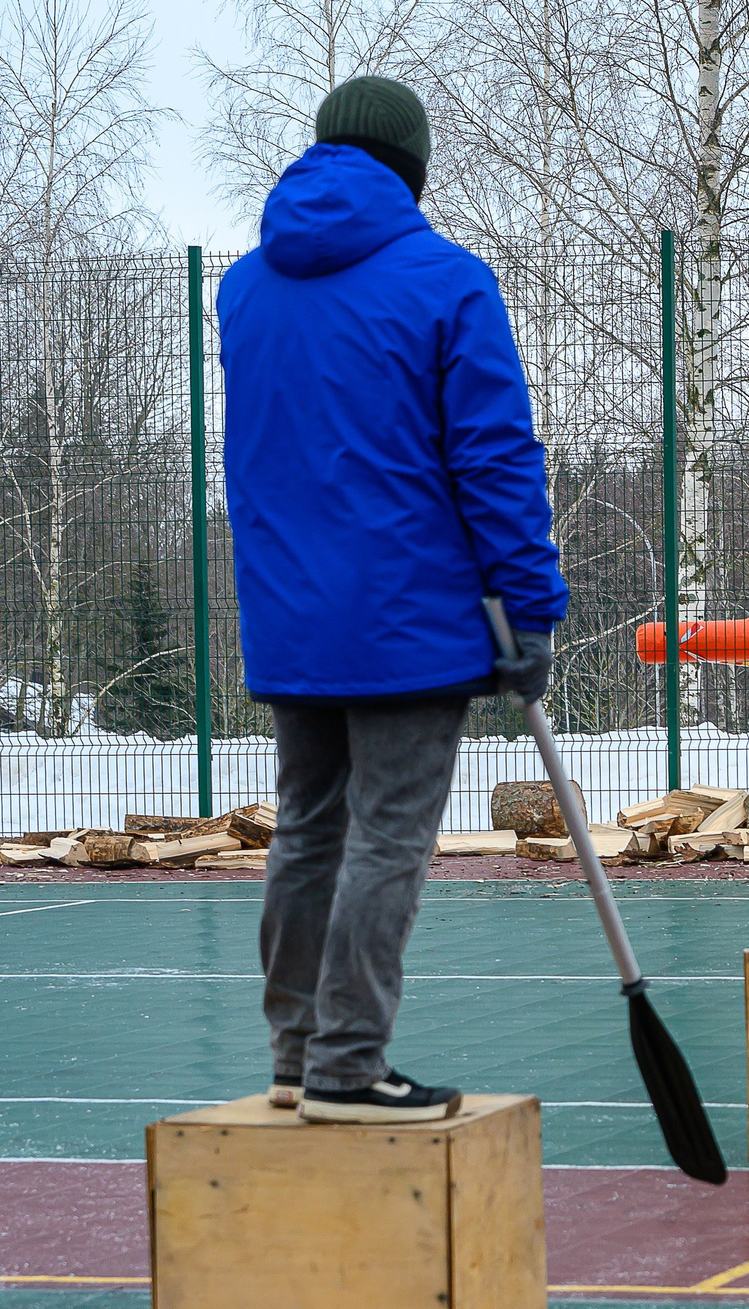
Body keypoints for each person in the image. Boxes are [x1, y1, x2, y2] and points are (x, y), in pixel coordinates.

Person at [221, 77, 568, 1123]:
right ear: (413, 166)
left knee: (308, 827)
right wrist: (530, 605)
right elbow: (494, 458)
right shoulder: (447, 280)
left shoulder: (244, 288)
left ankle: (298, 1054)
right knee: (387, 838)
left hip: (291, 615)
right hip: (409, 620)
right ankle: (347, 1066)